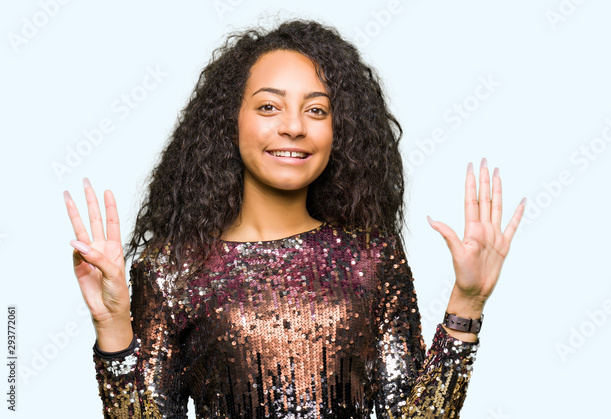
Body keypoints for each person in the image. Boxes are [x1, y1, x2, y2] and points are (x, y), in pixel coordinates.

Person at [61, 19, 525, 418]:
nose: (294, 127)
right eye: (269, 106)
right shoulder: (171, 268)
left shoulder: (371, 256)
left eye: (316, 110)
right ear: (230, 120)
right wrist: (112, 324)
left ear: (339, 130)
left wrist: (467, 304)